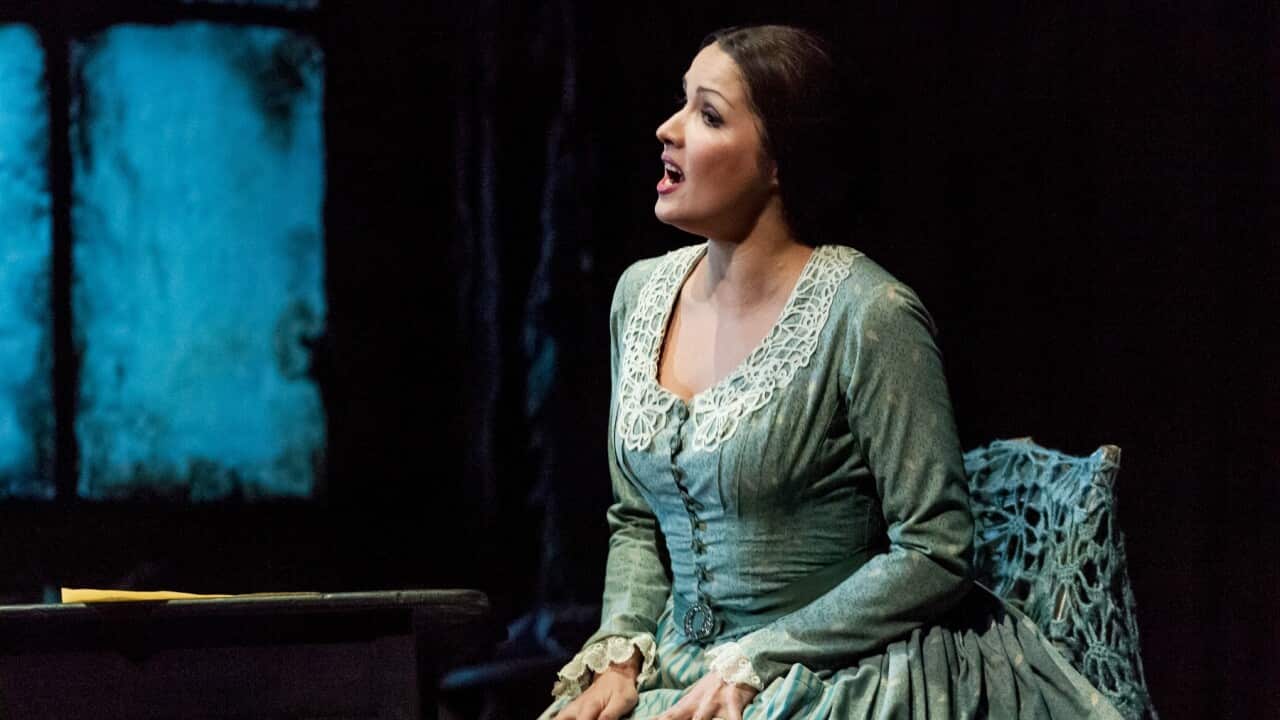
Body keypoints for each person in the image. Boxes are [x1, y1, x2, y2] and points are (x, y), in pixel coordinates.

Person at [540, 24, 1122, 720]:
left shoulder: (869, 314)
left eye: (708, 114)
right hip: (684, 664)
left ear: (778, 159)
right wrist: (621, 656)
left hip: (839, 666)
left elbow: (936, 548)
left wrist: (765, 655)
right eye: (680, 104)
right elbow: (634, 519)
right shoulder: (639, 296)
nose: (669, 129)